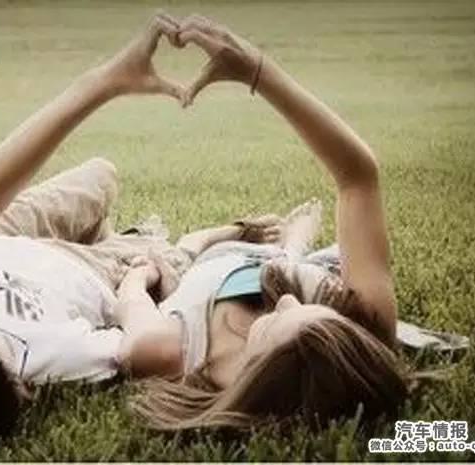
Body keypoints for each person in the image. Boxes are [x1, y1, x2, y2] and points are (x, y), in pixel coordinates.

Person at [0, 13, 282, 445]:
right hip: (83, 271)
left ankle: (116, 233)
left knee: (101, 173)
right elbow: (154, 342)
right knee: (164, 258)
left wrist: (104, 82)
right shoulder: (62, 358)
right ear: (25, 386)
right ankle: (201, 235)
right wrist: (139, 279)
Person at [113, 13, 412, 430]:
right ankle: (291, 248)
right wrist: (255, 69)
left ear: (259, 374)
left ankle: (277, 243)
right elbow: (359, 176)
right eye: (318, 313)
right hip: (292, 269)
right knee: (299, 271)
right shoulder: (361, 335)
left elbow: (130, 298)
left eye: (274, 324)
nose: (287, 301)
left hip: (213, 267)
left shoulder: (165, 351)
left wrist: (139, 275)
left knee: (192, 249)